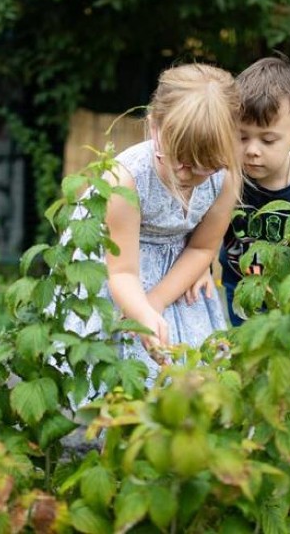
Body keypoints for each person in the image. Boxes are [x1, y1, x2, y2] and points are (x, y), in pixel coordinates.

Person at [62, 63, 242, 380]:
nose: (188, 176)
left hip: (176, 269)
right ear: (154, 127)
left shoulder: (225, 178)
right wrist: (142, 312)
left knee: (194, 371)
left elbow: (202, 248)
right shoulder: (127, 179)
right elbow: (122, 272)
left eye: (205, 168)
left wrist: (157, 301)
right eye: (181, 162)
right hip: (119, 268)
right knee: (128, 373)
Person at [215, 55, 290, 327]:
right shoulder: (227, 177)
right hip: (240, 285)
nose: (252, 150)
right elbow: (202, 231)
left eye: (268, 140)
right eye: (242, 137)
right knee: (247, 353)